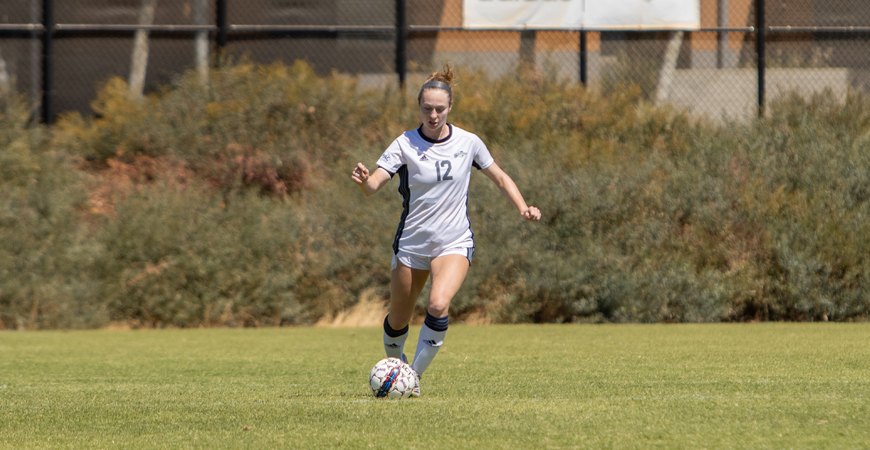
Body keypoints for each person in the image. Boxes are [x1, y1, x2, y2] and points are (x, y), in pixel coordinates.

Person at [351, 64, 541, 396]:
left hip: (453, 241)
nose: (434, 115)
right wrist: (365, 181)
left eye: (440, 109)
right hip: (411, 244)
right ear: (419, 107)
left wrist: (523, 207)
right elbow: (374, 185)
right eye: (427, 109)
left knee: (438, 305)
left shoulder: (468, 142)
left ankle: (412, 379)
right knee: (398, 320)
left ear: (450, 107)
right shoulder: (405, 144)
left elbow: (500, 176)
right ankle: (398, 368)